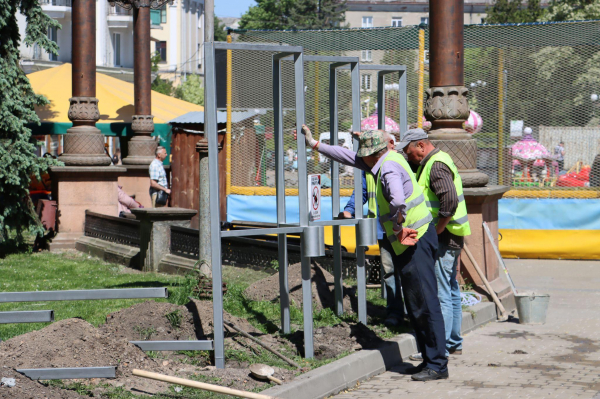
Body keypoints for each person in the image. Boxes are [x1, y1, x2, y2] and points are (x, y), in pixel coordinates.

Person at [298, 125, 448, 381]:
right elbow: (347, 156)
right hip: (414, 239)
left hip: (416, 239)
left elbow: (398, 201)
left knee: (424, 302)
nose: (359, 158)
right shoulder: (384, 159)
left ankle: (437, 364)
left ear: (372, 154)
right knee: (415, 302)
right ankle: (428, 360)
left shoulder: (387, 167)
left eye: (363, 153)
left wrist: (399, 225)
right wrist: (315, 145)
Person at [400, 128, 471, 362]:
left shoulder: (436, 165)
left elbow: (448, 200)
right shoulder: (437, 160)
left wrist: (437, 230)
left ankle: (439, 348)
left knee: (441, 292)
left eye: (410, 152)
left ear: (421, 145)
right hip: (452, 234)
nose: (409, 157)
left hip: (443, 236)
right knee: (450, 288)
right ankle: (453, 342)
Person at [339, 132, 405, 327]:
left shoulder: (397, 161)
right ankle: (395, 312)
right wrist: (349, 210)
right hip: (383, 226)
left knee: (407, 270)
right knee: (390, 270)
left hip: (402, 225)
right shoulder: (366, 166)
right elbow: (361, 191)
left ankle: (412, 311)